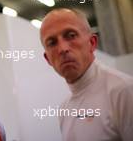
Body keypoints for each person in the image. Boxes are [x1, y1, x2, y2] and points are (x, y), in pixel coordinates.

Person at [40, 8, 133, 141]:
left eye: (71, 35)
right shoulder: (64, 109)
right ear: (48, 59)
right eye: (52, 43)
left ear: (92, 43)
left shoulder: (124, 90)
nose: (63, 49)